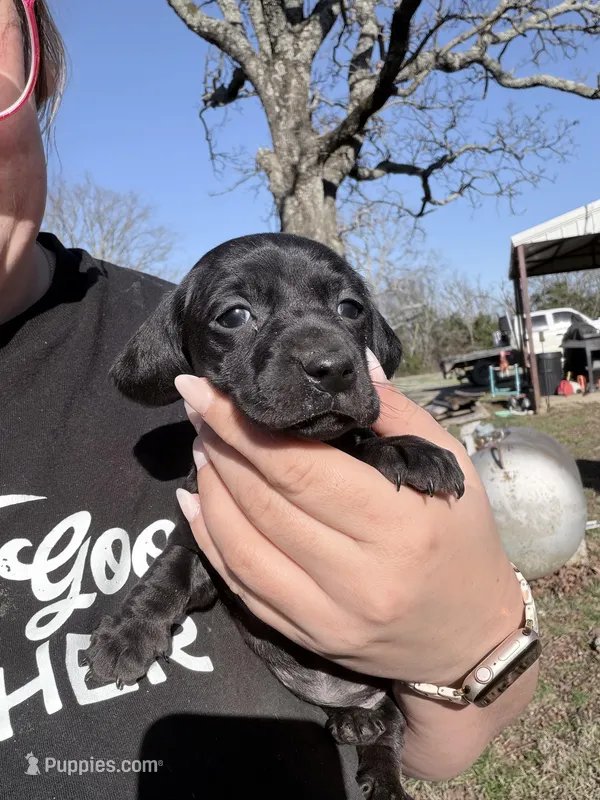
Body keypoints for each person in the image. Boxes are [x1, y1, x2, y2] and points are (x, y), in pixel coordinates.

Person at [0, 1, 539, 798]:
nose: (322, 350)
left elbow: (456, 741)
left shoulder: (154, 313)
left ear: (39, 88)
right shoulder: (174, 336)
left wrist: (476, 641)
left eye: (346, 313)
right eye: (237, 316)